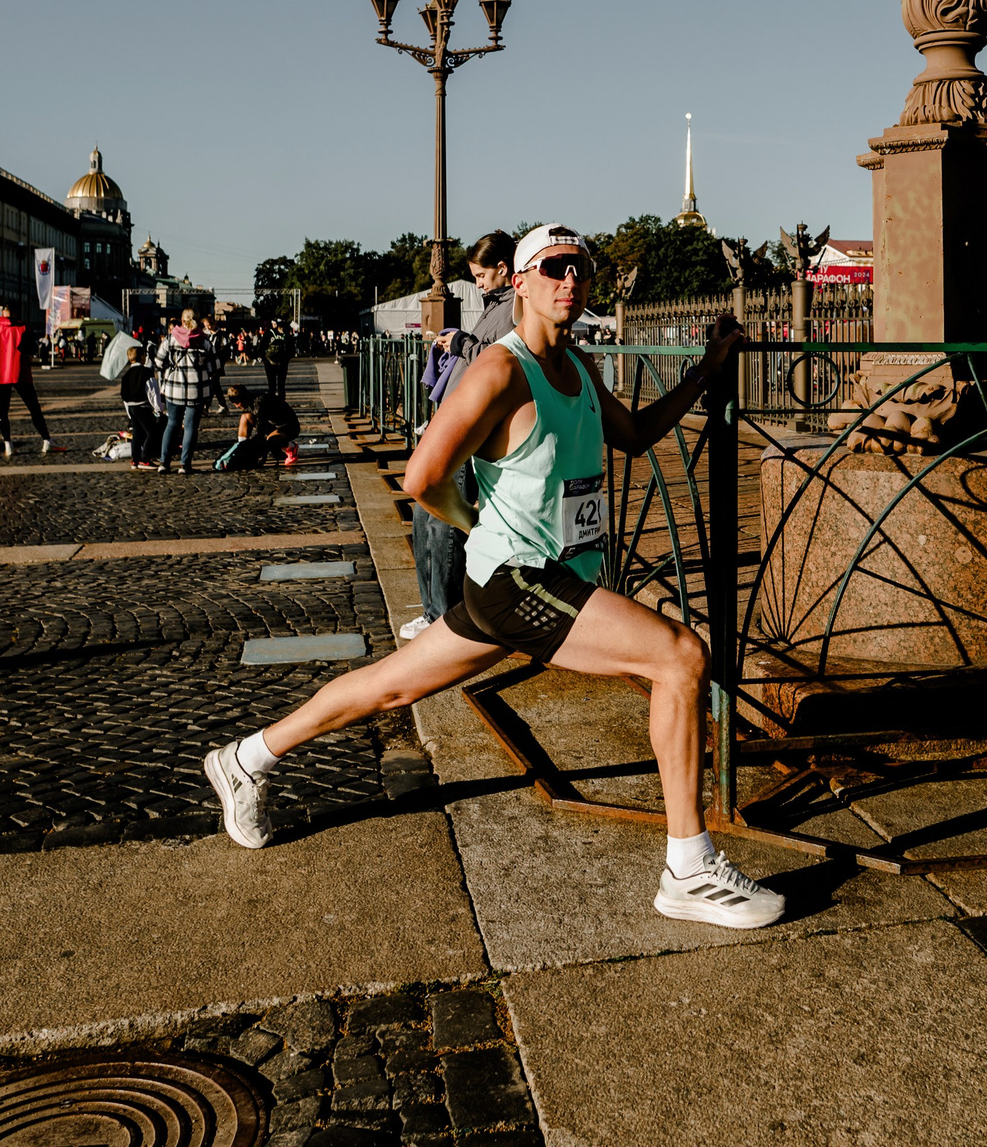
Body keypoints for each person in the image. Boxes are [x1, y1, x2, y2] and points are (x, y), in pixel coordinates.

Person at [200, 224, 779, 928]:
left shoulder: (577, 363)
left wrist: (704, 370)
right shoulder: (501, 371)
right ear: (521, 281)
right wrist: (478, 528)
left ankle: (245, 757)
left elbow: (634, 435)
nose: (573, 280)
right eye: (556, 267)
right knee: (680, 655)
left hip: (542, 580)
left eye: (583, 269)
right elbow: (423, 478)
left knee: (391, 685)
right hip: (520, 580)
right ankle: (689, 867)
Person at [402, 230, 519, 642]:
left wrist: (462, 342)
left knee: (443, 519)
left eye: (481, 275)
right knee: (424, 511)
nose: (477, 283)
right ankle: (433, 609)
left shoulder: (516, 307)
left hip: (472, 427)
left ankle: (444, 616)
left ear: (503, 269)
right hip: (454, 420)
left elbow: (499, 360)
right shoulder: (495, 304)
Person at [0, 306, 61, 458]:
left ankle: (8, 444)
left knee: (2, 410)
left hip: (0, 374)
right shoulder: (23, 329)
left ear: (2, 313)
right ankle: (46, 440)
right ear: (16, 313)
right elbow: (31, 349)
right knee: (34, 408)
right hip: (19, 372)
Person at [153, 309, 216, 473]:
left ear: (182, 320)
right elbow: (214, 367)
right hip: (197, 390)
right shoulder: (205, 341)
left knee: (172, 424)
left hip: (174, 389)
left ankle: (164, 463)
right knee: (190, 428)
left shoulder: (170, 338)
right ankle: (184, 464)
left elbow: (158, 362)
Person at [214, 385, 301, 470]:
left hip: (289, 427)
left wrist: (253, 452)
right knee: (245, 417)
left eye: (237, 403)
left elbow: (260, 433)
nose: (236, 406)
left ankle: (291, 447)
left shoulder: (259, 403)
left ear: (243, 399)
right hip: (273, 425)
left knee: (270, 440)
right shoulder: (248, 401)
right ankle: (241, 450)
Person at [119, 341, 160, 473]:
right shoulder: (146, 372)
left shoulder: (126, 375)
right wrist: (158, 408)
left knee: (137, 433)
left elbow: (124, 395)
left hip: (131, 407)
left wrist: (129, 413)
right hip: (143, 407)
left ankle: (135, 459)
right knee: (153, 432)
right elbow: (152, 391)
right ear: (142, 357)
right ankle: (145, 458)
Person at [261, 323, 294, 399]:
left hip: (276, 362)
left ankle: (278, 403)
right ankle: (276, 402)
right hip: (272, 362)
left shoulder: (286, 334)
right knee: (277, 385)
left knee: (277, 385)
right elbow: (292, 348)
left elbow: (291, 348)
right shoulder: (270, 333)